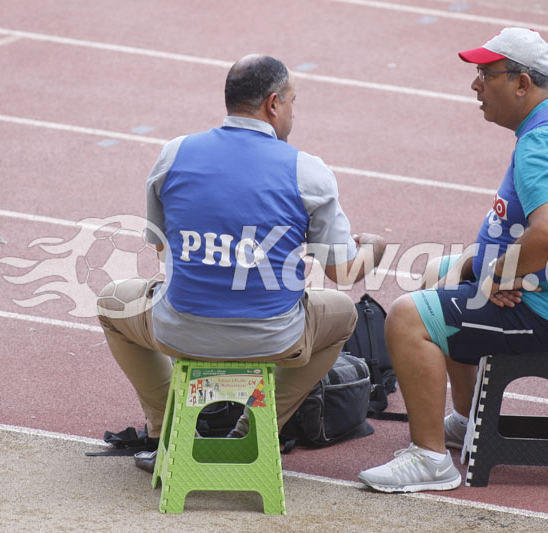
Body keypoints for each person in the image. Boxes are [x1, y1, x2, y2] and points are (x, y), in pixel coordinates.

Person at [358, 28, 548, 493]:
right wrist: (481, 267)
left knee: (406, 318)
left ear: (522, 84)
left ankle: (429, 461)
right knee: (437, 274)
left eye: (486, 73)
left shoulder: (544, 143)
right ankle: (466, 420)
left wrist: (496, 274)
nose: (475, 84)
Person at [97, 54, 386, 472]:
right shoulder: (308, 170)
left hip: (181, 330)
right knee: (341, 314)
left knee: (111, 303)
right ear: (273, 104)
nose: (292, 111)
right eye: (291, 101)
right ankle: (256, 432)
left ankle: (168, 431)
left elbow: (162, 252)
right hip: (273, 340)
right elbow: (343, 273)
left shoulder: (174, 153)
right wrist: (374, 246)